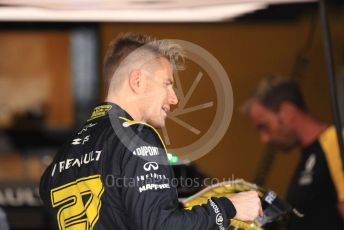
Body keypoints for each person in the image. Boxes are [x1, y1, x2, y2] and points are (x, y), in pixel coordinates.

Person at [39, 33, 262, 229]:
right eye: (167, 83)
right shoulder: (136, 136)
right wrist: (227, 207)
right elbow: (159, 226)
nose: (174, 98)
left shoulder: (61, 158)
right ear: (137, 81)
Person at [245, 75, 344, 229]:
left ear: (287, 111)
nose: (264, 138)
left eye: (265, 126)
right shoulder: (308, 156)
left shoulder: (336, 142)